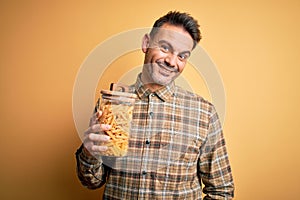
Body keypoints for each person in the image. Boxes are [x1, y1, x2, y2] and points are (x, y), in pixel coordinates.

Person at [75, 11, 234, 199]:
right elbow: (91, 181)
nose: (172, 62)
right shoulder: (112, 103)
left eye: (182, 56)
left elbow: (221, 191)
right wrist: (89, 151)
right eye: (165, 47)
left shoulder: (204, 113)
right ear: (146, 43)